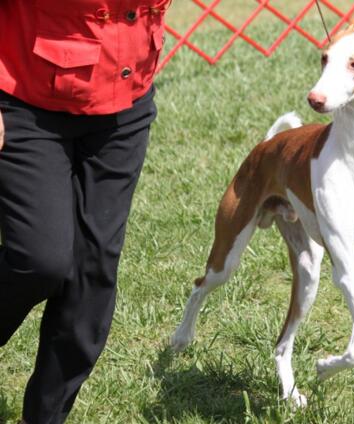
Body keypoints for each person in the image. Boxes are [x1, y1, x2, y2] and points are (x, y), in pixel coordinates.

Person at [0, 1, 169, 423]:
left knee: (93, 273)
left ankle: (45, 417)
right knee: (40, 260)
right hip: (25, 95)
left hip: (125, 98)